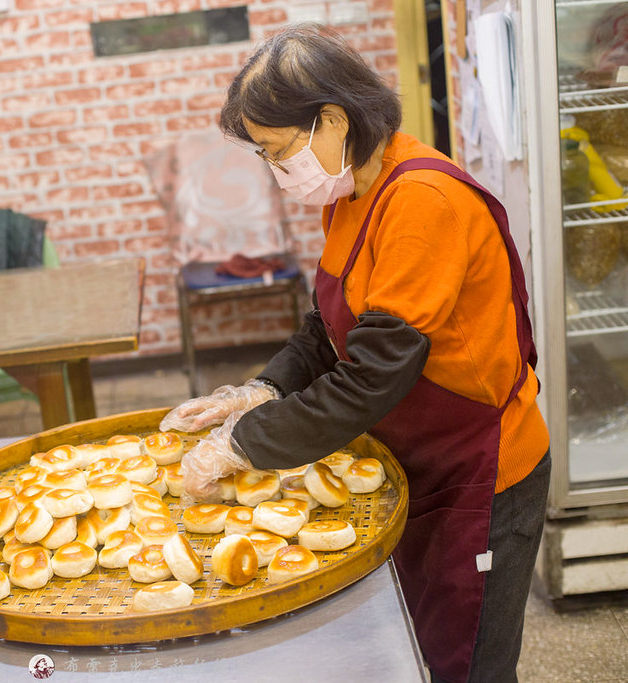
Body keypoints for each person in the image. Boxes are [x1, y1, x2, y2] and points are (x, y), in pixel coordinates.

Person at [161, 25, 550, 683]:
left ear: (333, 119)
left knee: (470, 661)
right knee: (418, 642)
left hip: (482, 471)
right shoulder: (351, 192)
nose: (279, 175)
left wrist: (243, 443)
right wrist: (263, 389)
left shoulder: (423, 201)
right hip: (416, 459)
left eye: (279, 152)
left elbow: (371, 376)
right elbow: (329, 326)